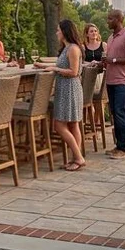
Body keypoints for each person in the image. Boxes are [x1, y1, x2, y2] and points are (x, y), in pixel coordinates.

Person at [34, 20, 86, 171]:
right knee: (72, 124)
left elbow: (73, 72)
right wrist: (43, 65)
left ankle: (79, 158)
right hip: (66, 88)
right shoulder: (66, 48)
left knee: (59, 125)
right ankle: (76, 158)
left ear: (64, 31)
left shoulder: (73, 49)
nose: (56, 32)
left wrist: (54, 69)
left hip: (69, 89)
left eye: (58, 30)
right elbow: (61, 65)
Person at [101, 10, 125, 160]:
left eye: (110, 19)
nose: (107, 21)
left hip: (123, 81)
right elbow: (110, 59)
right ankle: (118, 146)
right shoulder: (110, 38)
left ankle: (123, 148)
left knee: (120, 112)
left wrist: (114, 60)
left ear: (118, 20)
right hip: (111, 80)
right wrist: (103, 63)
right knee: (115, 114)